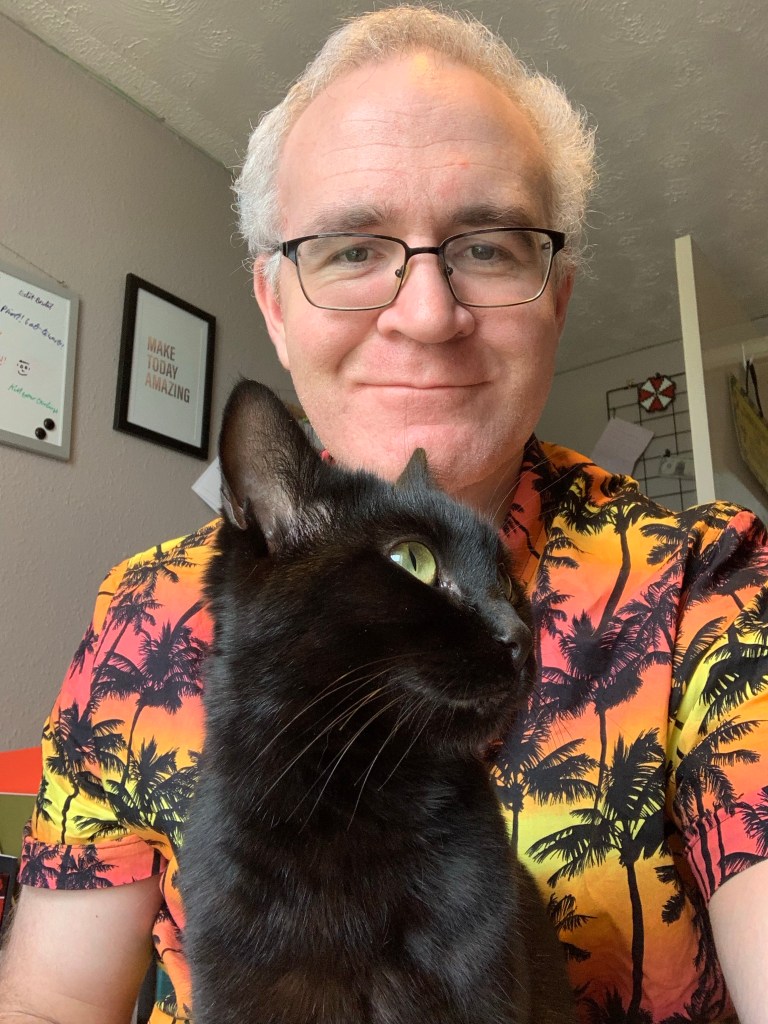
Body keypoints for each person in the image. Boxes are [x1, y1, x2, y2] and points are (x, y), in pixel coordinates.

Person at [2, 6, 767, 1023]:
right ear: (276, 306)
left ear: (558, 298)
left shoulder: (714, 583)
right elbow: (54, 999)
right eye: (353, 249)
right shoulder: (137, 616)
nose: (427, 314)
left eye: (488, 247)